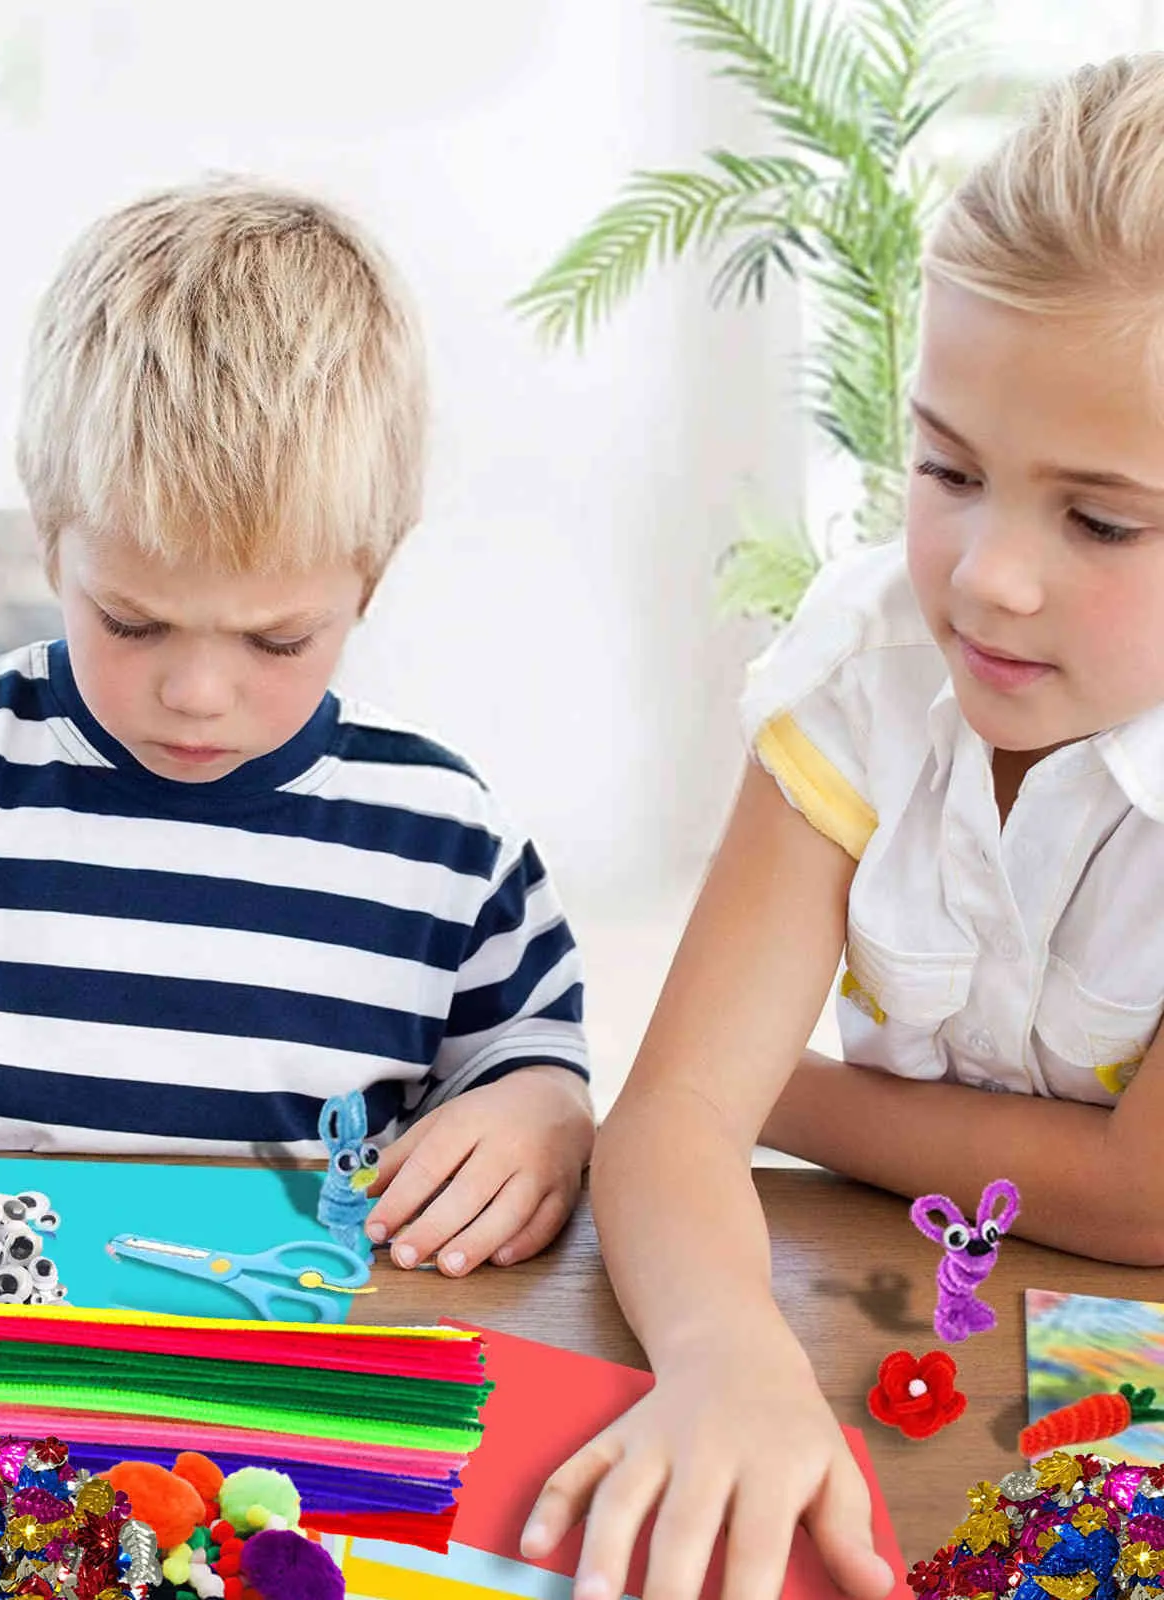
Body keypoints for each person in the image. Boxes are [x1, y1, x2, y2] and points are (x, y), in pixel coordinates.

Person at [0, 180, 594, 1278]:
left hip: (294, 1355)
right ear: (53, 543)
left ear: (370, 578)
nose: (195, 692)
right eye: (133, 621)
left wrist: (546, 1115)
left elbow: (536, 1057)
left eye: (276, 640)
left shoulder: (445, 836)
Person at [522, 53, 1164, 1600]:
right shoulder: (866, 673)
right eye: (946, 468)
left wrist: (776, 1092)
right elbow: (667, 1126)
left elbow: (1145, 1203)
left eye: (1099, 519)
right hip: (890, 1314)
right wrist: (733, 1359)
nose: (988, 577)